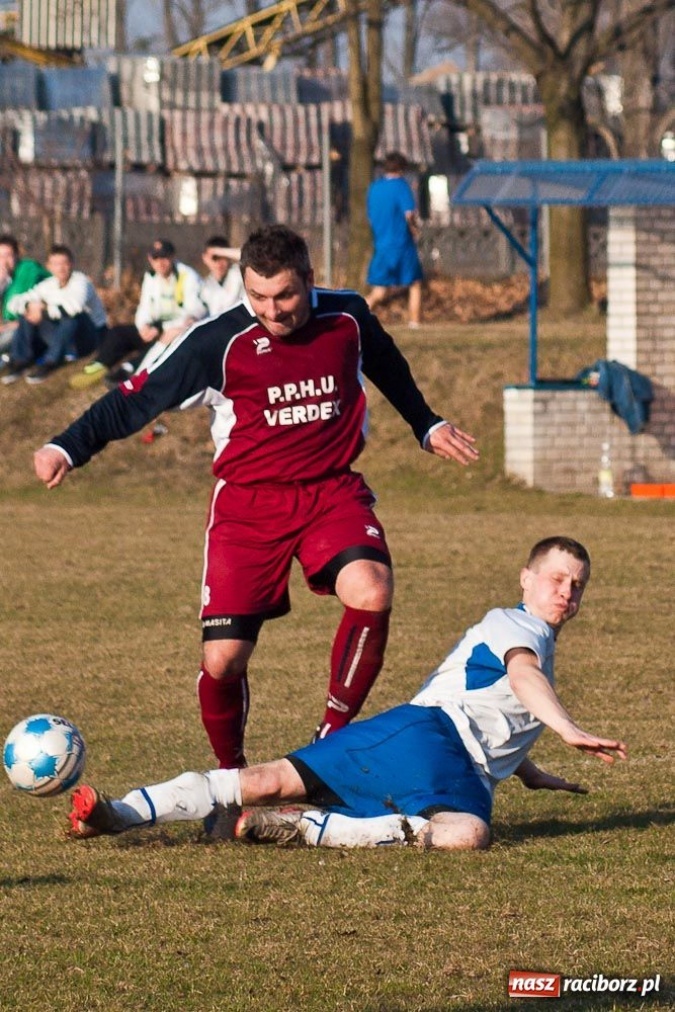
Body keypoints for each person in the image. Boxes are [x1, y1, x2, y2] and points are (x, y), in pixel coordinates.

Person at [34, 224, 478, 775]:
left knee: (372, 588)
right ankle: (232, 777)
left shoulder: (347, 318)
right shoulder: (215, 341)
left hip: (329, 490)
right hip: (248, 506)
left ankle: (326, 750)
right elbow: (134, 400)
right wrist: (66, 447)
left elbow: (387, 363)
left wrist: (426, 423)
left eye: (285, 295)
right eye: (258, 296)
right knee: (223, 660)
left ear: (310, 281)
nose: (273, 310)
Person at [66, 536, 628, 851]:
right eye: (556, 577)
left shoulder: (536, 639)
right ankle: (117, 813)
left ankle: (296, 828)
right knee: (264, 781)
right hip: (424, 738)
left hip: (467, 775)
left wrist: (527, 770)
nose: (567, 591)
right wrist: (566, 729)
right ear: (526, 578)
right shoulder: (516, 625)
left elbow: (501, 702)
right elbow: (522, 677)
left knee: (467, 835)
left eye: (577, 584)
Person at [69, 238, 204, 390]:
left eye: (164, 257)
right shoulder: (150, 277)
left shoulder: (188, 276)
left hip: (178, 330)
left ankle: (133, 373)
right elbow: (145, 307)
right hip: (155, 327)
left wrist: (161, 328)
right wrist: (143, 326)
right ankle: (99, 366)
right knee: (118, 333)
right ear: (150, 259)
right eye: (156, 258)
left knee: (165, 341)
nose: (160, 262)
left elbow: (193, 313)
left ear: (172, 256)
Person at [1, 244, 107, 385]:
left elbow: (73, 308)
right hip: (64, 336)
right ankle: (21, 361)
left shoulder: (81, 282)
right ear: (49, 266)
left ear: (71, 264)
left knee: (71, 318)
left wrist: (43, 309)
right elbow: (14, 303)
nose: (61, 268)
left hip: (90, 336)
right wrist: (30, 306)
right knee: (28, 315)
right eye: (56, 264)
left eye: (64, 263)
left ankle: (50, 362)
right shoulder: (48, 285)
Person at [365, 151, 424, 329]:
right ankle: (414, 322)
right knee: (414, 283)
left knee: (379, 290)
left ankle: (355, 317)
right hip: (401, 243)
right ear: (402, 168)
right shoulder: (401, 186)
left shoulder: (374, 188)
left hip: (381, 243)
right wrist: (415, 229)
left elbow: (370, 217)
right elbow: (409, 214)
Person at [0, 235, 50, 357]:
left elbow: (19, 313)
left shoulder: (27, 269)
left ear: (17, 255)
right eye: (0, 256)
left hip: (44, 327)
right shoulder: (8, 279)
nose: (4, 261)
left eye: (8, 255)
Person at [198, 235, 245, 316]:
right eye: (215, 258)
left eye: (223, 257)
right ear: (205, 258)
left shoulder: (237, 274)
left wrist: (218, 251)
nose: (219, 263)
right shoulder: (204, 286)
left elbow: (251, 257)